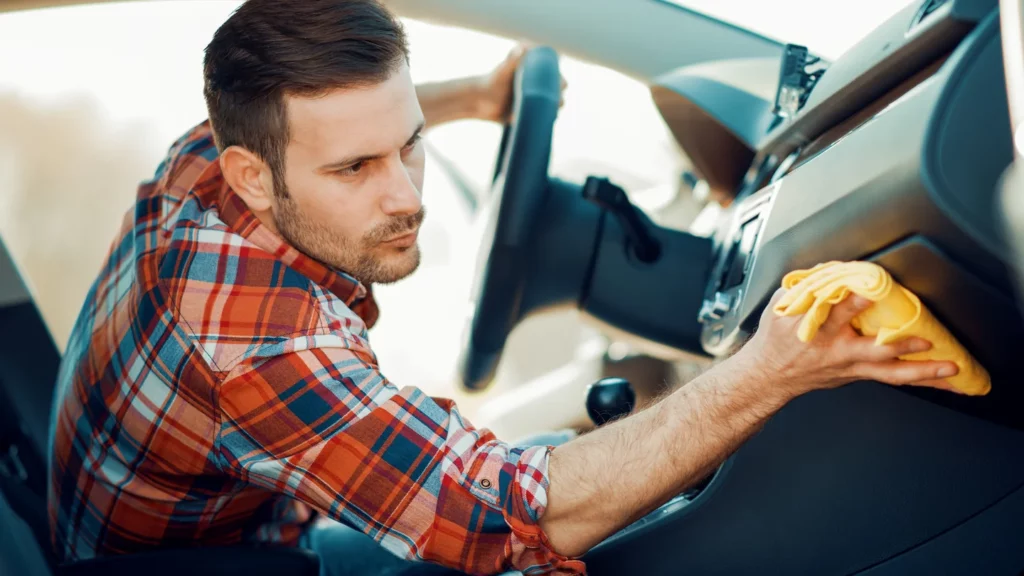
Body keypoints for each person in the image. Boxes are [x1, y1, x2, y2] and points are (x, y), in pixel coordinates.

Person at [46, 1, 961, 575]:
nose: (406, 196)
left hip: (157, 519)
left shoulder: (209, 155)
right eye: (357, 169)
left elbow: (359, 115)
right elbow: (510, 514)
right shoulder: (263, 349)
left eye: (409, 141)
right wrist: (773, 369)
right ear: (254, 177)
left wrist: (477, 95)